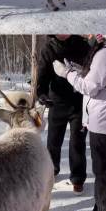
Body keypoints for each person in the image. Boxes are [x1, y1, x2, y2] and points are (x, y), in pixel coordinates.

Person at [53, 34, 106, 211]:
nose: (92, 35)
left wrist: (67, 74)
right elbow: (104, 78)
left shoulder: (105, 54)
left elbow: (88, 87)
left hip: (103, 120)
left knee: (103, 171)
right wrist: (79, 70)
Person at [36, 35, 91, 195]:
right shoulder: (49, 48)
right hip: (57, 102)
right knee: (53, 141)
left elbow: (92, 72)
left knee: (77, 142)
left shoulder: (83, 45)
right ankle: (52, 171)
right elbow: (42, 76)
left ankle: (78, 178)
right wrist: (42, 94)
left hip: (79, 103)